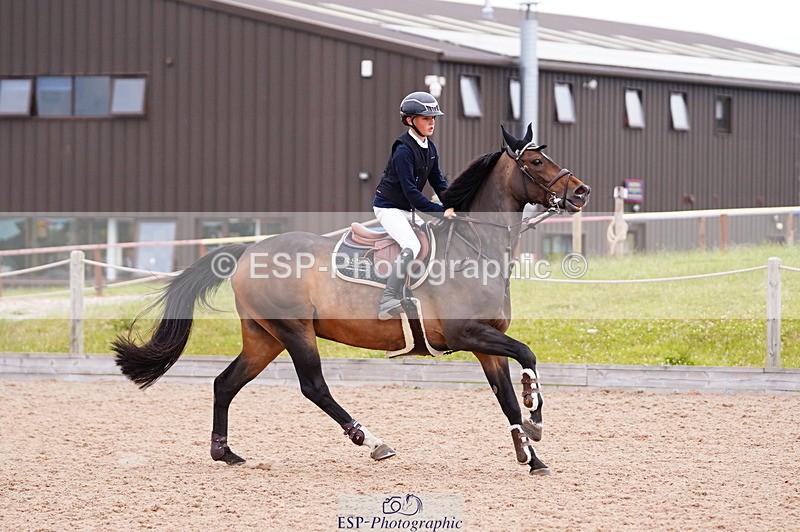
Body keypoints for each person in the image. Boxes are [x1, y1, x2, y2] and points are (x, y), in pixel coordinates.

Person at [373, 91, 457, 320]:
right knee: (411, 244)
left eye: (433, 119)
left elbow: (438, 181)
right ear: (410, 120)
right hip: (388, 207)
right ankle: (388, 298)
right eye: (425, 118)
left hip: (406, 209)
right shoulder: (403, 151)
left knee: (430, 238)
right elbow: (411, 193)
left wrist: (455, 203)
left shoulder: (430, 147)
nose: (431, 123)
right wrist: (441, 211)